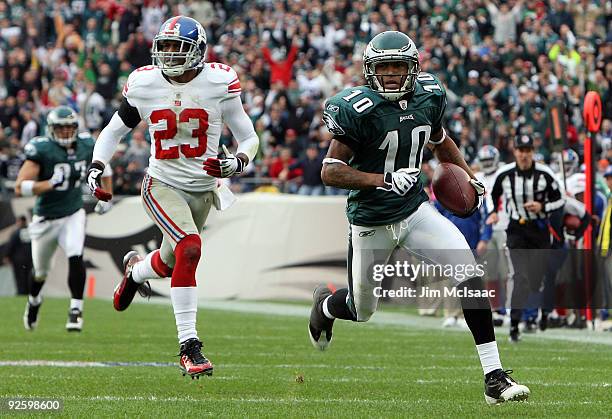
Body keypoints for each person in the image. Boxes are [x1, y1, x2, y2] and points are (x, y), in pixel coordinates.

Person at [308, 31, 529, 404]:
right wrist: (383, 179)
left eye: (398, 66)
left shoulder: (430, 95)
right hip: (371, 219)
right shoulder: (356, 108)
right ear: (370, 70)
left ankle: (494, 378)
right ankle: (326, 305)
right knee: (362, 310)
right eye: (384, 67)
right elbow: (330, 170)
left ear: (413, 68)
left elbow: (441, 142)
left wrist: (469, 176)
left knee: (469, 272)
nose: (391, 74)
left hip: (414, 211)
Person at [86, 16, 259, 379]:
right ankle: (189, 347)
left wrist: (238, 162)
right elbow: (113, 130)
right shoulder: (144, 83)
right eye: (163, 47)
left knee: (169, 261)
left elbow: (248, 137)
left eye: (177, 48)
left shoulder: (218, 82)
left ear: (198, 51)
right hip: (161, 183)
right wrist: (98, 165)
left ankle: (135, 272)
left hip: (203, 189)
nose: (168, 55)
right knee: (191, 248)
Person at [15, 106, 113, 332]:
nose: (66, 132)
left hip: (73, 212)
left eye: (70, 127)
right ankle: (34, 301)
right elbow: (20, 187)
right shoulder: (42, 149)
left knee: (75, 254)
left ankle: (76, 310)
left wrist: (107, 197)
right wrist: (49, 184)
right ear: (51, 129)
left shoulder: (87, 144)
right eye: (61, 128)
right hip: (45, 217)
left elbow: (105, 169)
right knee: (40, 272)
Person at [487, 135, 565, 342]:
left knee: (535, 280)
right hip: (516, 230)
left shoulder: (545, 174)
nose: (524, 154)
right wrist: (493, 211)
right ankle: (514, 324)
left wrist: (543, 207)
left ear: (533, 151)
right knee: (519, 276)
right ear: (515, 151)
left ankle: (535, 315)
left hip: (539, 230)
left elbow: (560, 200)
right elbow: (492, 194)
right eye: (520, 150)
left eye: (528, 150)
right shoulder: (505, 173)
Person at [3, 215, 32, 295]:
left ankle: (21, 292)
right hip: (29, 259)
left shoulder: (16, 233)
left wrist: (6, 256)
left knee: (20, 278)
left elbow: (11, 245)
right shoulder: (31, 232)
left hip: (18, 260)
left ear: (19, 222)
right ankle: (28, 293)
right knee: (28, 277)